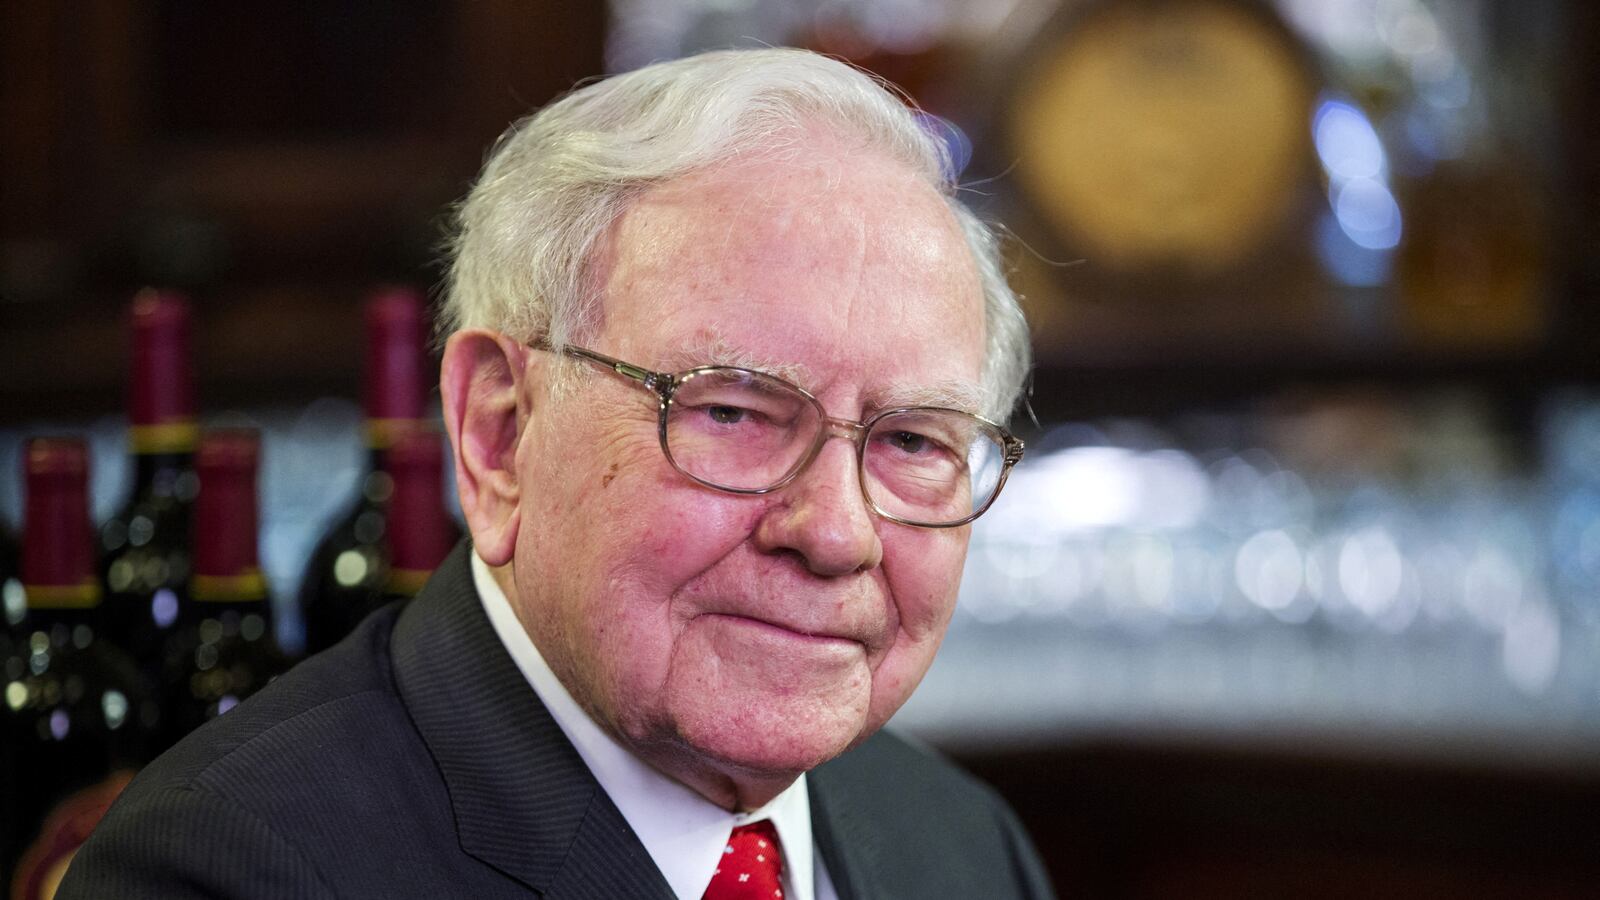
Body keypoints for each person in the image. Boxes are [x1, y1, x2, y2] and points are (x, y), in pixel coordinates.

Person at [58, 47, 1053, 899]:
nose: (837, 533)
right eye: (734, 413)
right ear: (498, 433)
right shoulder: (226, 869)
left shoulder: (962, 849)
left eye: (914, 441)